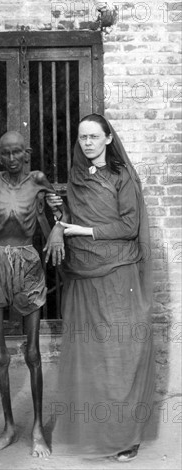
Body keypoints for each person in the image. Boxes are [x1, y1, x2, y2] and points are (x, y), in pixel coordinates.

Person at [45, 113, 155, 461]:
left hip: (117, 273)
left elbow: (129, 225)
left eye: (94, 136)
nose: (87, 143)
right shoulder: (76, 178)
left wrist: (85, 231)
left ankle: (126, 436)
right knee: (91, 355)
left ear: (108, 138)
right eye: (82, 138)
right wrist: (59, 216)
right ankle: (95, 430)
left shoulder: (122, 176)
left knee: (121, 354)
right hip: (85, 274)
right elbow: (71, 223)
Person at [0, 131, 55, 458]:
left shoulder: (38, 181)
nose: (11, 159)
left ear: (27, 153)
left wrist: (58, 232)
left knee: (33, 353)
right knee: (0, 352)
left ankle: (36, 429)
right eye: (5, 153)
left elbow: (56, 216)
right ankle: (8, 426)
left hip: (28, 262)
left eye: (17, 152)